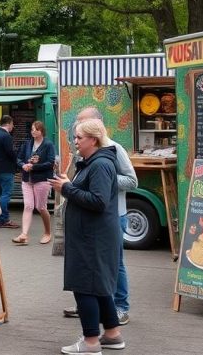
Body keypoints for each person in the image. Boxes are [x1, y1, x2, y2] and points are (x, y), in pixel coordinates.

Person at [48, 118, 125, 355]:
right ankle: (112, 334)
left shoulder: (100, 164)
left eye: (79, 137)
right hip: (92, 235)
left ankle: (91, 342)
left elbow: (99, 201)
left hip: (93, 237)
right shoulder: (94, 162)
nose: (76, 141)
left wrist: (67, 189)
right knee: (99, 286)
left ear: (93, 139)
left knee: (85, 287)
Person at [64, 106, 138, 325]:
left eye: (81, 123)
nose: (75, 130)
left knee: (114, 265)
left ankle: (120, 307)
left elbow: (132, 181)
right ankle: (88, 306)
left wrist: (106, 182)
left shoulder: (113, 149)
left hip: (113, 215)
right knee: (94, 269)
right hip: (92, 219)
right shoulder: (84, 152)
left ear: (97, 127)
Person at [12, 120, 55, 245]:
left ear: (42, 131)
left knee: (41, 207)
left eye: (36, 129)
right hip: (27, 179)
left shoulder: (48, 144)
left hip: (42, 179)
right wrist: (23, 165)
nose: (33, 131)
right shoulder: (27, 144)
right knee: (28, 206)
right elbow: (18, 158)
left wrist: (34, 167)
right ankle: (24, 234)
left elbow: (51, 162)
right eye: (32, 129)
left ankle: (47, 233)